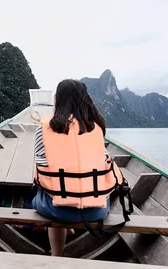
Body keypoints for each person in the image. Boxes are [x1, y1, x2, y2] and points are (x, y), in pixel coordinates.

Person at [32, 79, 114, 256]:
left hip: (57, 209)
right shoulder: (96, 127)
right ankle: (67, 230)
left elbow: (41, 166)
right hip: (96, 211)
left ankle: (57, 255)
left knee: (45, 196)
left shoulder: (45, 128)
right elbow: (105, 161)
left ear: (57, 100)